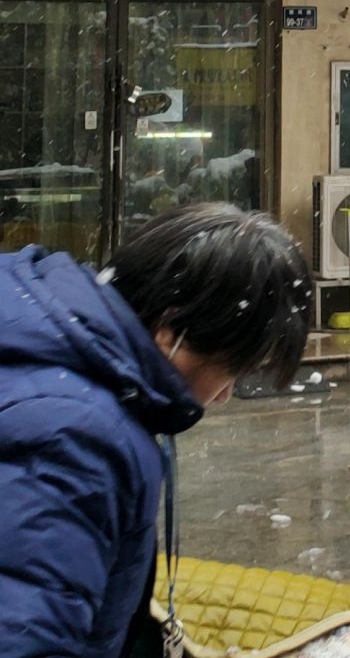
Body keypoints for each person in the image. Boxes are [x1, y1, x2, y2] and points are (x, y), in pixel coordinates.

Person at [0, 202, 312, 658]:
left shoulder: (49, 332)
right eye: (232, 371)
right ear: (172, 332)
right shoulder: (75, 437)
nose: (225, 395)